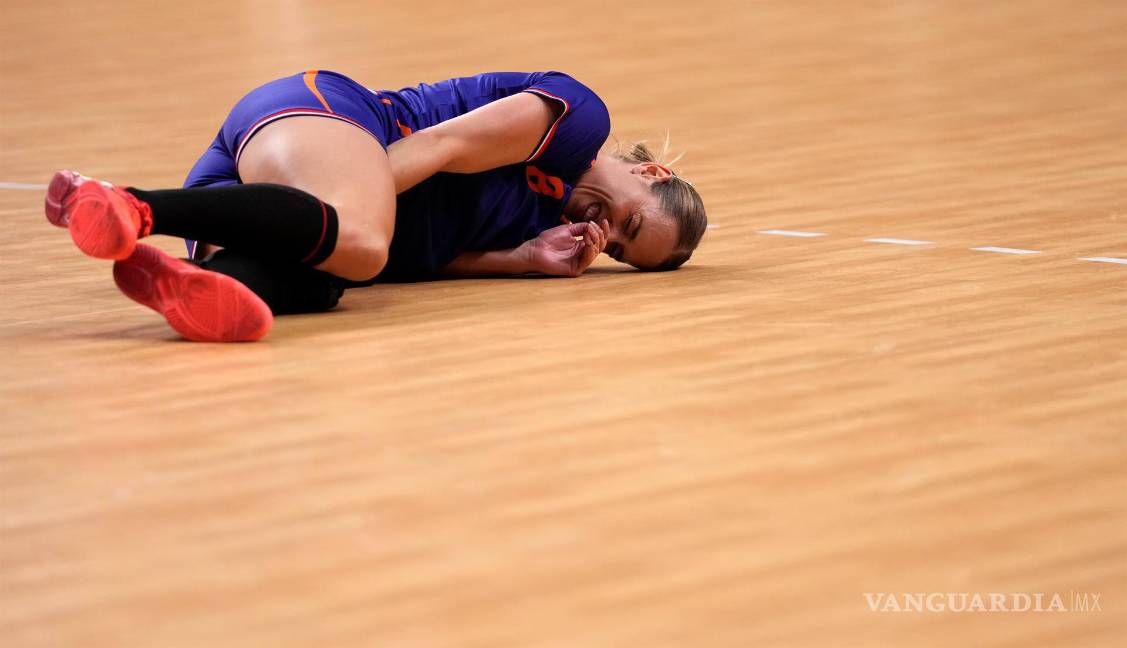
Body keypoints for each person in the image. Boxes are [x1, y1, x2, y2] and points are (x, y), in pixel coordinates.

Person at [45, 69, 707, 342]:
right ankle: (132, 207)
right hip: (319, 117)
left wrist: (521, 259)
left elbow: (409, 260)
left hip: (258, 206)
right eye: (628, 220)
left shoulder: (546, 231)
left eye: (619, 251)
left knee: (315, 285)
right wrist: (340, 208)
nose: (604, 233)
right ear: (650, 171)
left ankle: (186, 277)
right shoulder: (578, 122)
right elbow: (436, 147)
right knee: (358, 250)